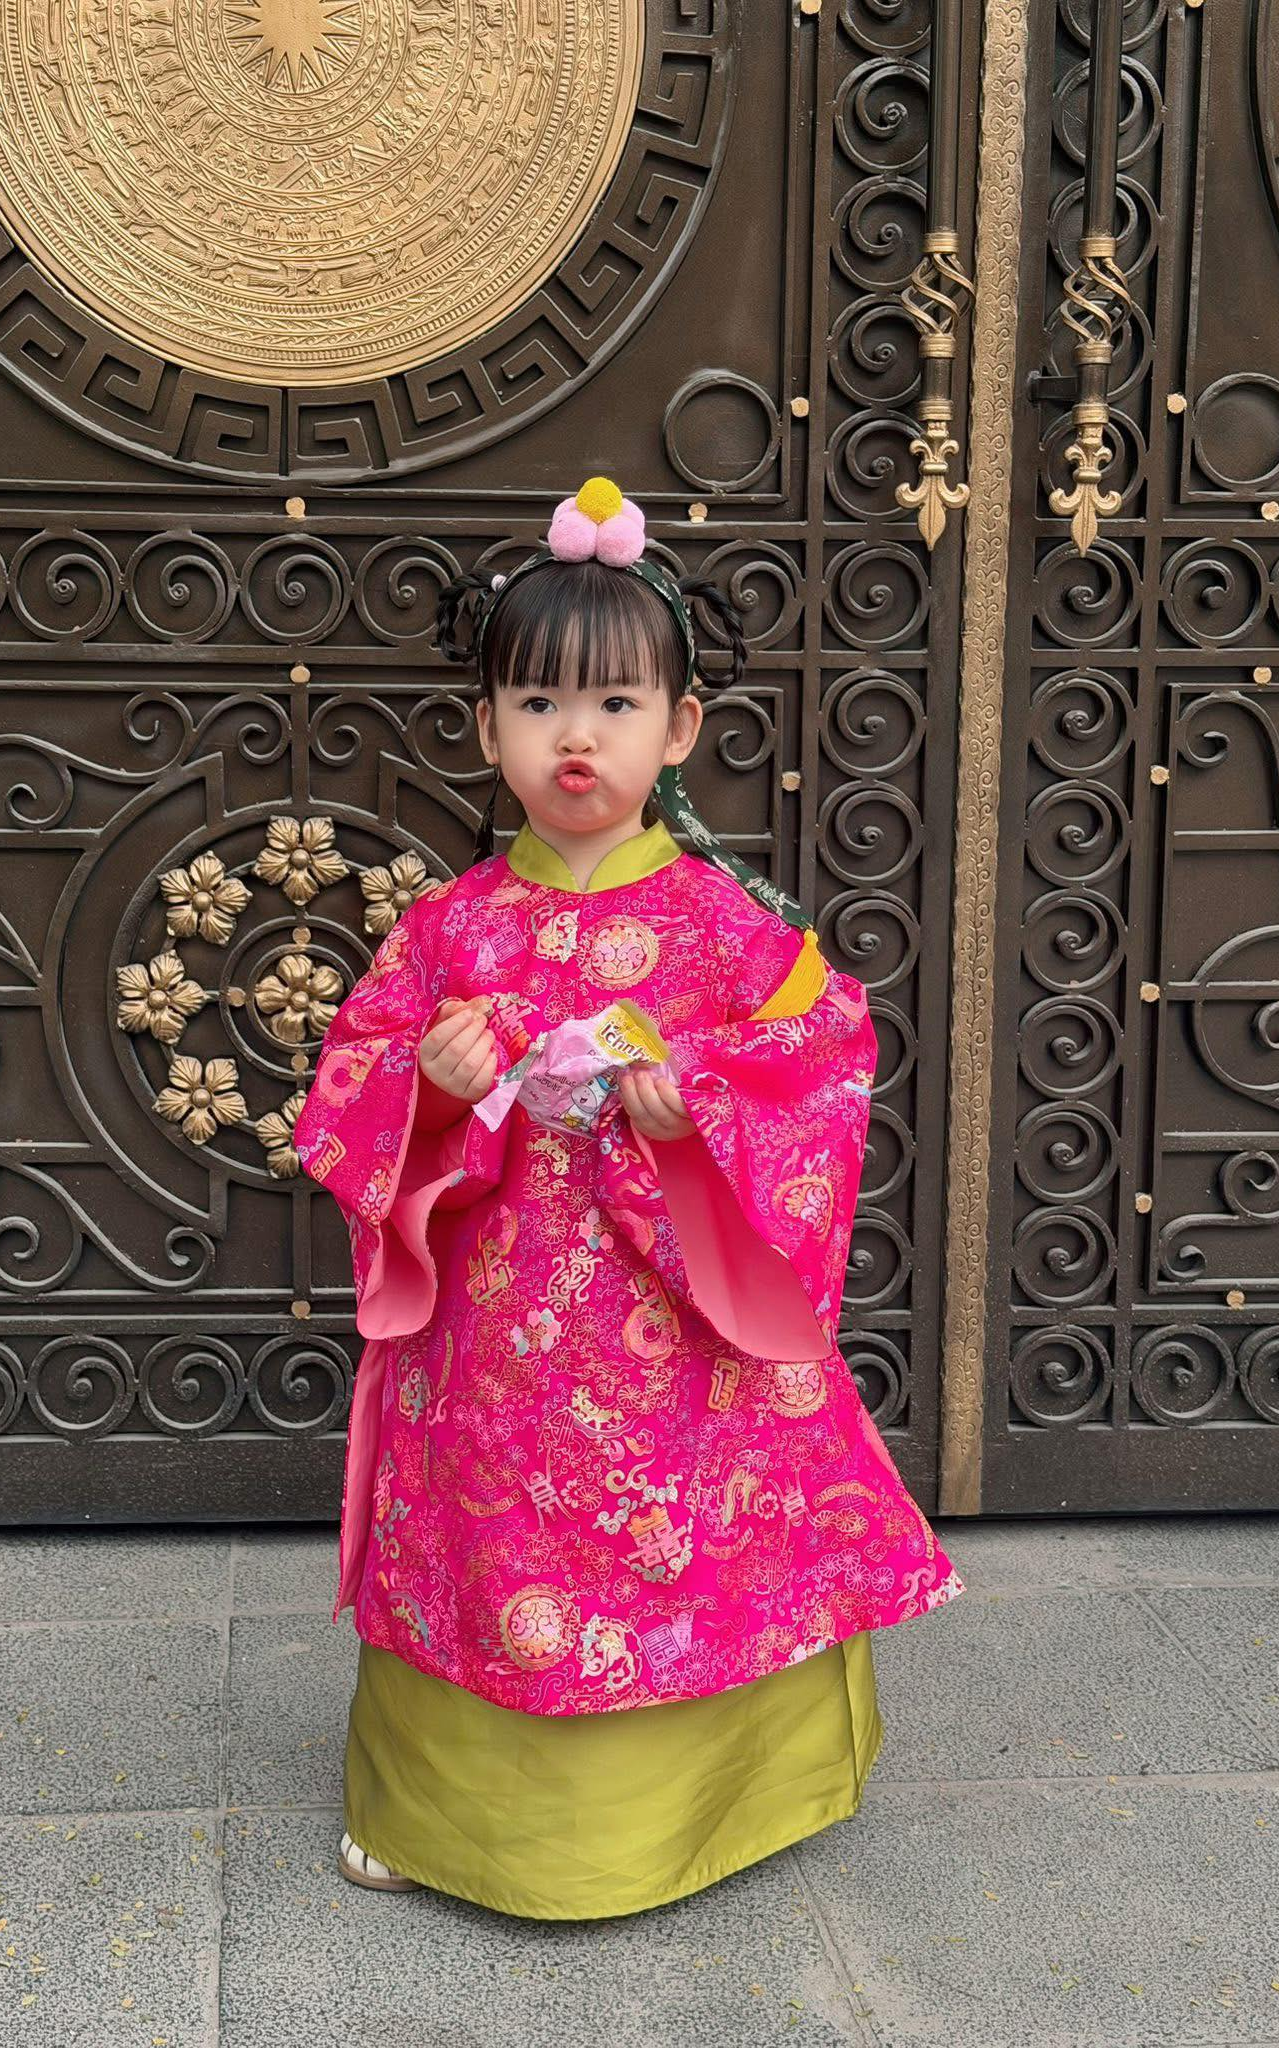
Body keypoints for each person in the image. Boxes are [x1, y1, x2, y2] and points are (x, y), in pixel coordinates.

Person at [292, 477, 964, 1919]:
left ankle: (724, 1804)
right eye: (537, 704)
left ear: (681, 727)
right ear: (487, 730)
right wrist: (429, 1086)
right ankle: (433, 1814)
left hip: (669, 1325)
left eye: (614, 703)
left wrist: (695, 1107)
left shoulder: (731, 927)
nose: (576, 738)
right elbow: (348, 1090)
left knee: (691, 1533)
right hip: (492, 1332)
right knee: (479, 1537)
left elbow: (822, 1061)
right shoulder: (450, 926)